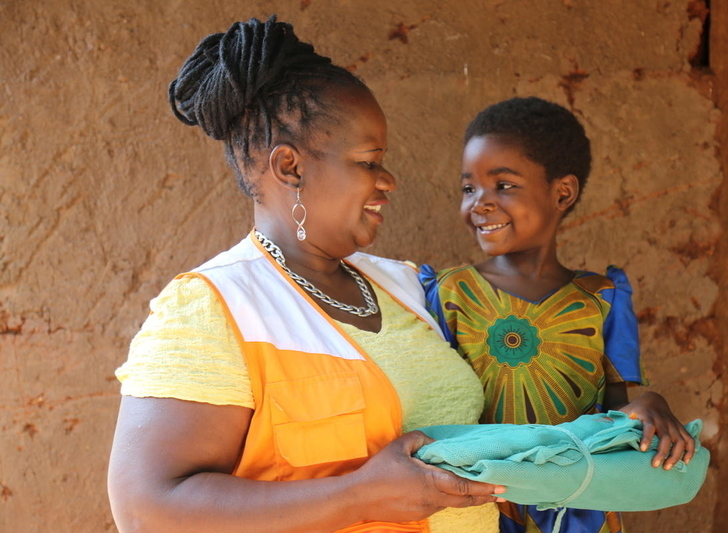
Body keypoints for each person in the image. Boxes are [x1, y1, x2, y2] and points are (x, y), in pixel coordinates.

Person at [107, 16, 505, 533]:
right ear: (290, 167)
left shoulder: (408, 287)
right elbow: (145, 511)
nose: (386, 181)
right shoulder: (214, 308)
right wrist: (359, 495)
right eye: (367, 161)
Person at [419, 97, 697, 533]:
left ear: (562, 192)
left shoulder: (601, 298)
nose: (480, 204)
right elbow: (436, 410)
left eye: (504, 186)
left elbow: (619, 410)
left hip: (582, 507)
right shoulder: (450, 294)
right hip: (482, 505)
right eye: (469, 188)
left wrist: (651, 405)